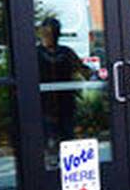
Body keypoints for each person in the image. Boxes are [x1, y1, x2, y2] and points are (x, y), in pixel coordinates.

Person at [36, 17, 90, 160]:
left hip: (65, 103)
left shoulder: (66, 52)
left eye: (51, 33)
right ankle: (51, 163)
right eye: (45, 33)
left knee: (67, 137)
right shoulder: (36, 53)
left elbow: (84, 71)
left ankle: (68, 165)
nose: (48, 37)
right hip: (45, 104)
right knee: (49, 138)